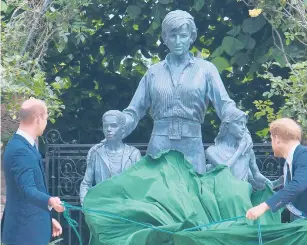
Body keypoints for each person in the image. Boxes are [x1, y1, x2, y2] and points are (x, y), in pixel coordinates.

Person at [121, 10, 245, 174]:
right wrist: (117, 124)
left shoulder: (206, 70)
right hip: (159, 143)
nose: (178, 41)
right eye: (173, 36)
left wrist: (239, 119)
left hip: (191, 144)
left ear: (192, 37)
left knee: (193, 194)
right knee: (156, 193)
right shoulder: (153, 72)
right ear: (165, 38)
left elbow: (224, 105)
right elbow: (134, 111)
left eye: (183, 35)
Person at [1, 98, 65, 245]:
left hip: (26, 230)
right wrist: (51, 201)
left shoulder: (24, 146)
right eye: (46, 118)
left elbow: (25, 193)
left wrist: (47, 218)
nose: (45, 123)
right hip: (24, 233)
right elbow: (27, 189)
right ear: (39, 118)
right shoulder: (21, 150)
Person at [206, 107, 282, 190]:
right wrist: (239, 151)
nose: (243, 127)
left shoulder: (247, 152)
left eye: (244, 124)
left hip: (242, 196)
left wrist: (276, 183)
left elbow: (255, 178)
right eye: (239, 123)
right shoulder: (212, 150)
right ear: (227, 125)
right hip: (222, 196)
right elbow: (224, 170)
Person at [80, 110, 141, 205]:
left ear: (123, 129)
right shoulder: (96, 153)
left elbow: (139, 185)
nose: (109, 129)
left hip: (126, 210)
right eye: (105, 126)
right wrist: (86, 206)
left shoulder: (133, 154)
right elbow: (86, 184)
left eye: (113, 125)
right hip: (102, 208)